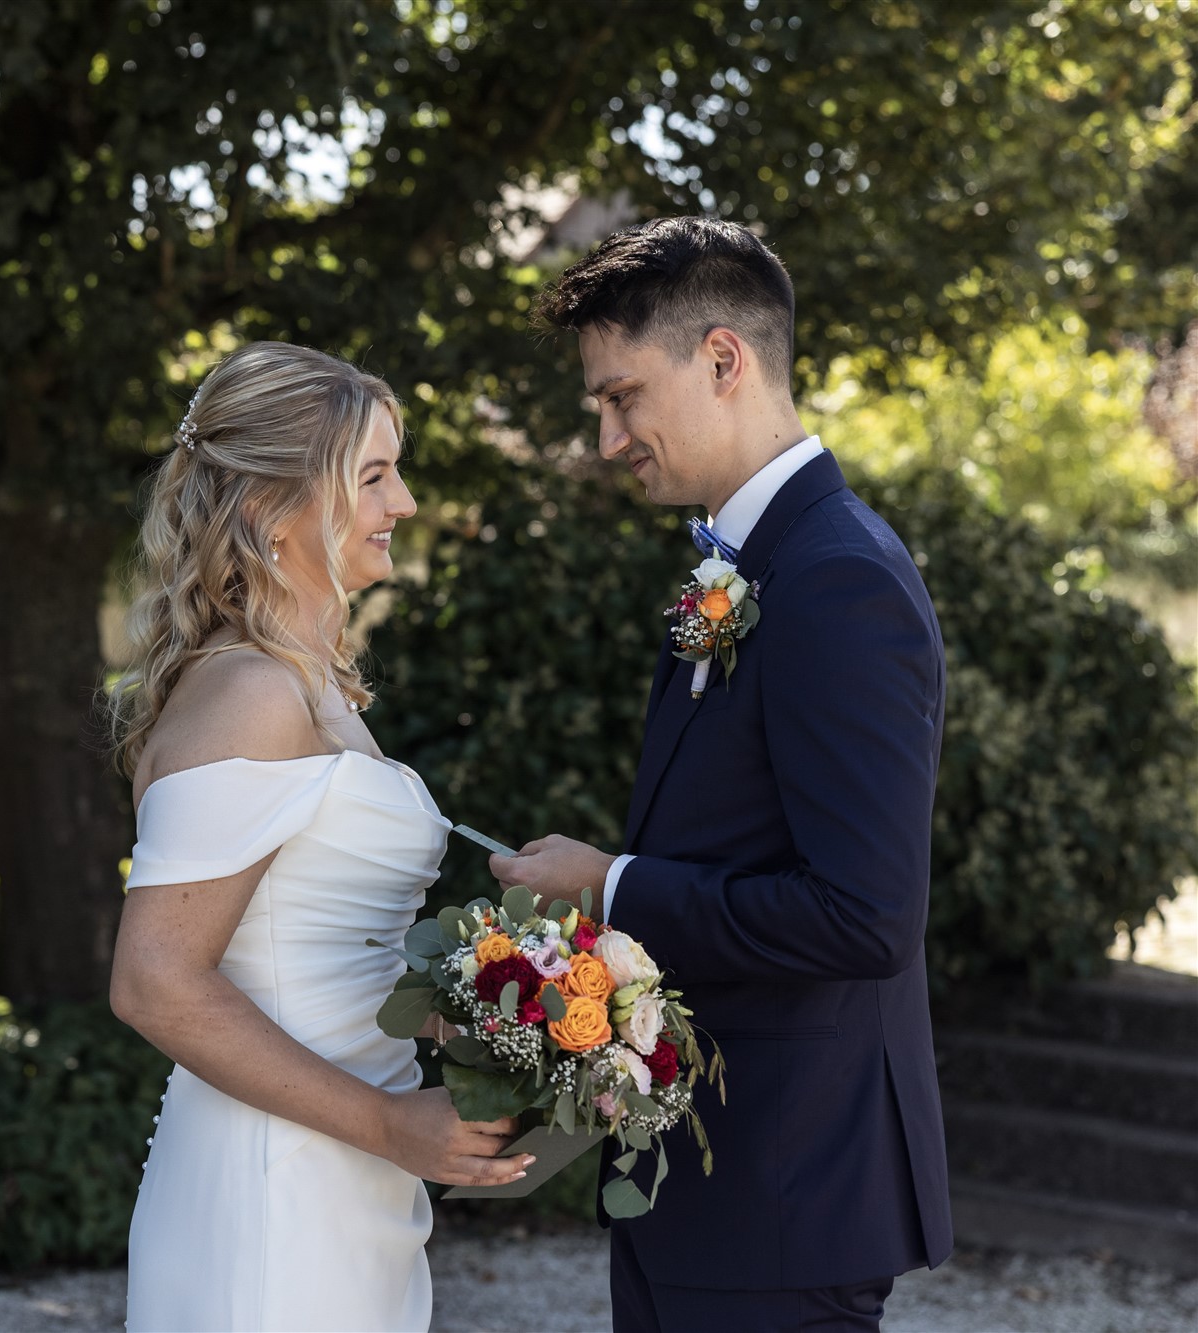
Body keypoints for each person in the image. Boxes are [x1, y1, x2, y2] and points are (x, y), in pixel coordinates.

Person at [488, 216, 955, 1332]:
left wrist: (609, 884)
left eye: (620, 398)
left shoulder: (837, 580)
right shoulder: (741, 563)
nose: (606, 438)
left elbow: (862, 916)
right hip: (702, 1177)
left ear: (720, 359)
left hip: (784, 1185)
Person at [107, 341, 525, 1332]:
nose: (405, 503)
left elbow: (302, 948)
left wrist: (448, 1016)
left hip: (346, 1174)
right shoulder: (249, 693)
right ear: (266, 508)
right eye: (372, 476)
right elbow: (154, 980)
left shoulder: (313, 687)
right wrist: (384, 1119)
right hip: (269, 1182)